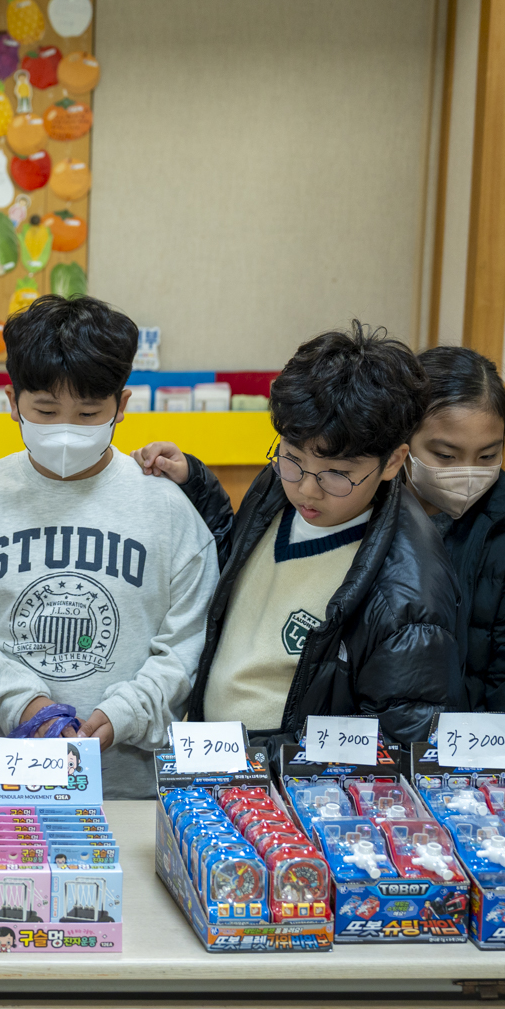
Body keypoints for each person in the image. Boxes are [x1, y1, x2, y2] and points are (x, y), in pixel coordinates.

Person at [0, 296, 218, 799]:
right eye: (45, 410)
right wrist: (25, 706)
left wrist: (124, 713)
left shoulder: (168, 511)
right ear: (12, 401)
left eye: (88, 413)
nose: (66, 430)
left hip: (125, 787)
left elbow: (188, 643)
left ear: (121, 407)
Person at [137, 322, 458, 755]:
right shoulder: (280, 484)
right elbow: (239, 566)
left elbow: (392, 746)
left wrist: (249, 757)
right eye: (291, 458)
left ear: (392, 462)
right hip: (218, 757)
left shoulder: (407, 596)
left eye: (337, 474)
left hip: (277, 779)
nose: (307, 488)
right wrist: (195, 483)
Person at [406, 347, 505, 792]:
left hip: (465, 774)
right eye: (445, 455)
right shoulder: (367, 515)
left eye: (487, 455)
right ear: (402, 439)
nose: (467, 474)